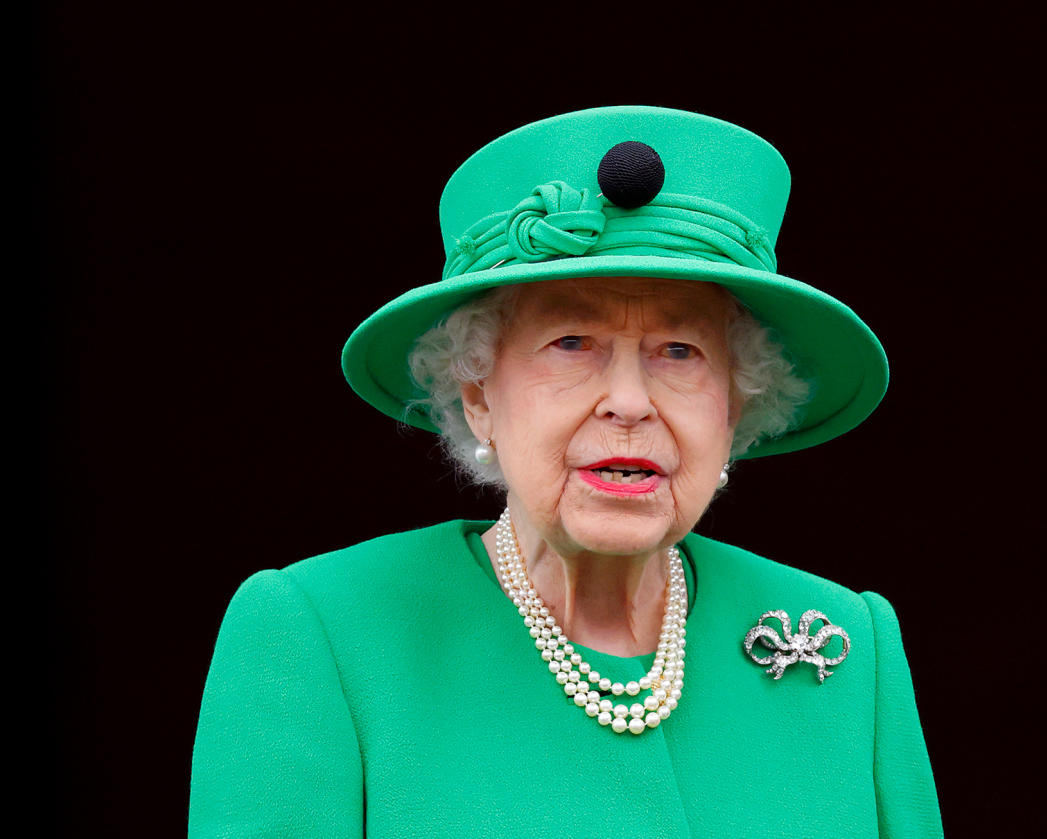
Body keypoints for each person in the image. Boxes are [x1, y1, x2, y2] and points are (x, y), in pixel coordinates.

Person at [189, 106, 942, 837]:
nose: (628, 401)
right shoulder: (318, 634)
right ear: (479, 393)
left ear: (735, 406)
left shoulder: (847, 645)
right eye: (572, 341)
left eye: (680, 351)